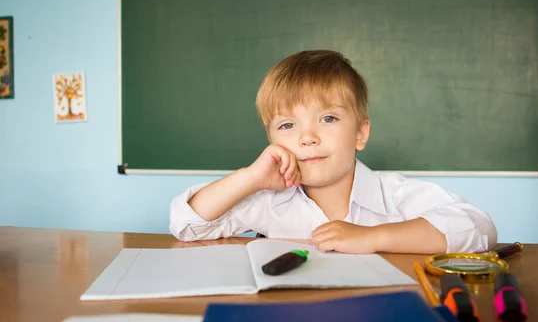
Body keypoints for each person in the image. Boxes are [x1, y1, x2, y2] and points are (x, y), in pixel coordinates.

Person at [170, 50, 497, 254]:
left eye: (327, 118)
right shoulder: (267, 201)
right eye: (287, 126)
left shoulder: (393, 193)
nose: (307, 138)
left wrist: (371, 238)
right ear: (269, 138)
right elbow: (187, 225)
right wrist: (249, 178)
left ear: (360, 132)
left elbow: (478, 228)